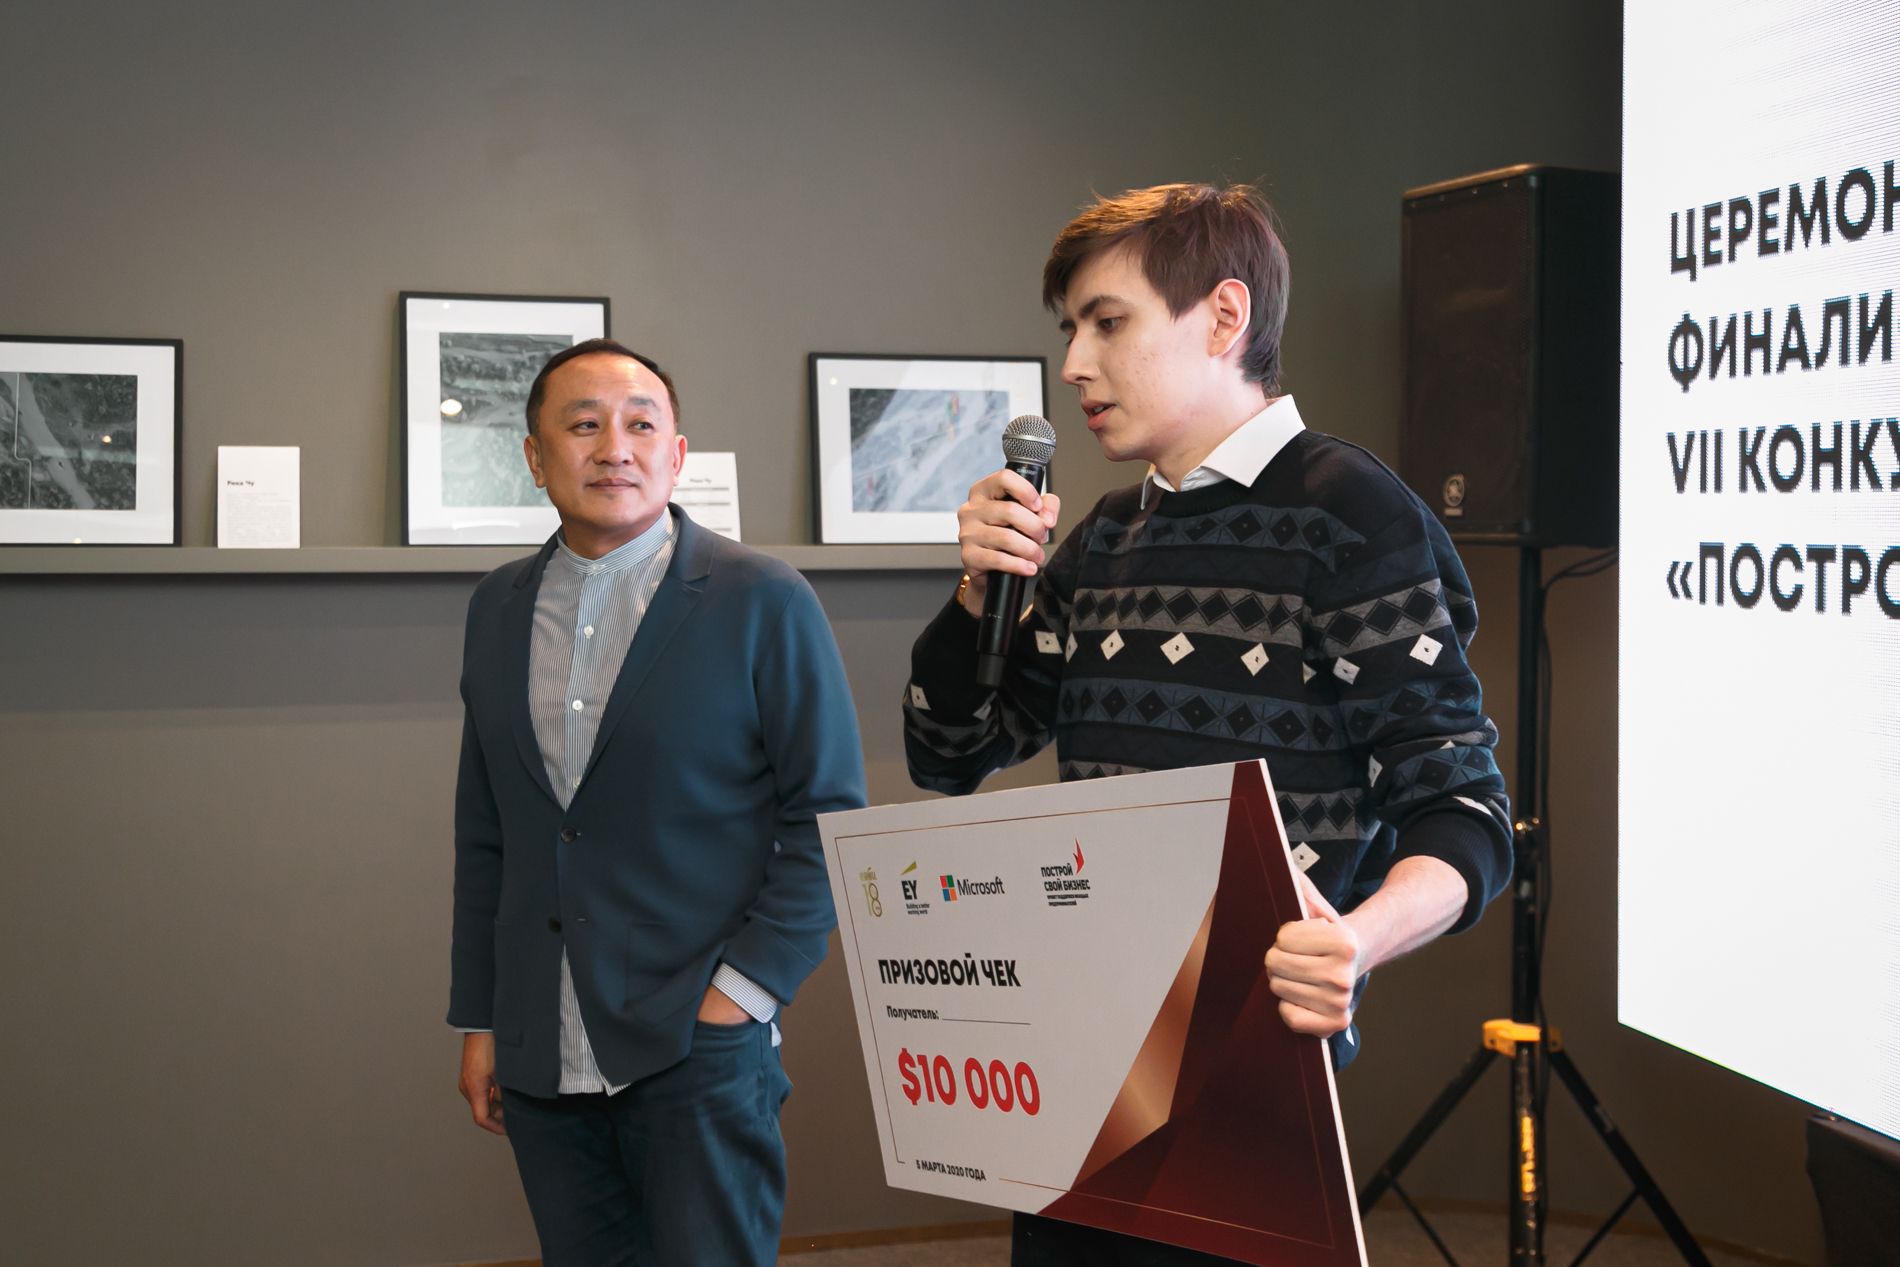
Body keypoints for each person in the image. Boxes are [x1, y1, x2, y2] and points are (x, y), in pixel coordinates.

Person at [902, 183, 1513, 1265]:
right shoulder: (1106, 536)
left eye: (1107, 322)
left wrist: (1357, 938)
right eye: (1071, 330)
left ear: (1224, 317)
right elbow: (950, 752)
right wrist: (975, 595)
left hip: (1243, 1075)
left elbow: (1464, 808)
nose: (1074, 365)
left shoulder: (1350, 514)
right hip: (1078, 1051)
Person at [447, 338, 865, 1267]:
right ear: (534, 456)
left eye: (641, 425)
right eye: (583, 425)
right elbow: (488, 834)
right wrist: (483, 1016)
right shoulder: (497, 607)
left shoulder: (762, 599)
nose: (614, 448)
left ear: (676, 455)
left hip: (695, 1043)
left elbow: (829, 818)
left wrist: (739, 1000)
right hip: (541, 1046)